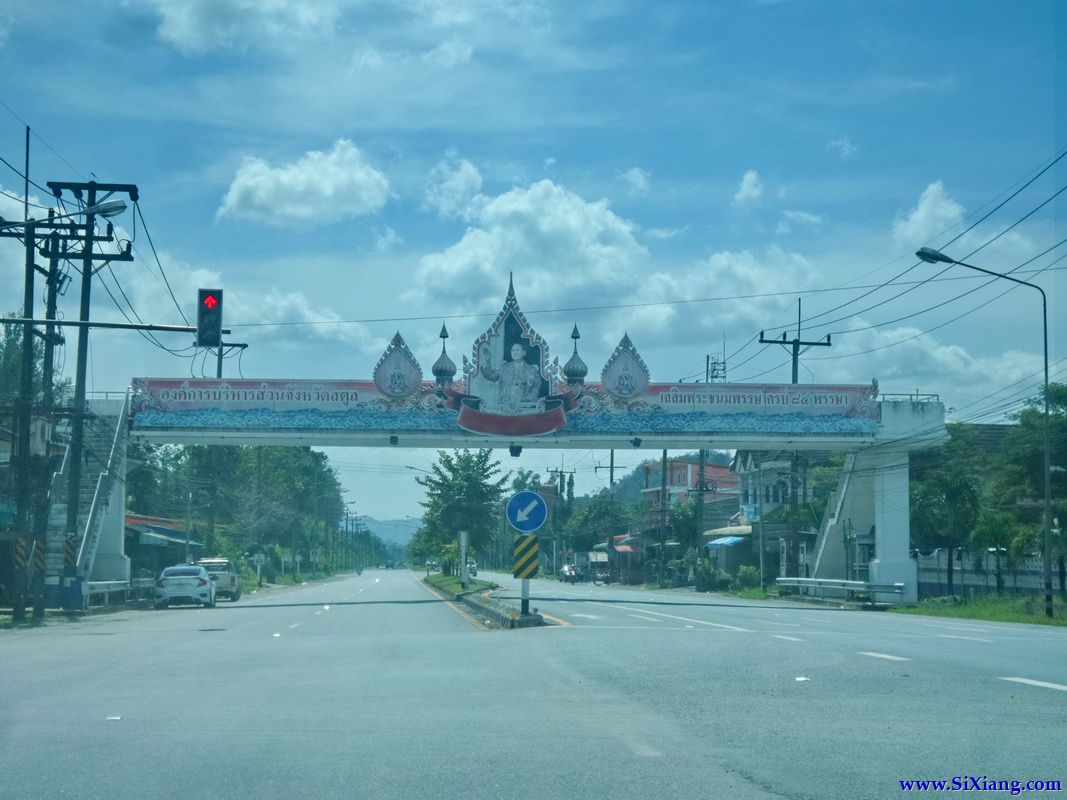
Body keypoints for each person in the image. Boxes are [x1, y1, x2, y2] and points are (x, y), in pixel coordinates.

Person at [481, 341, 543, 413]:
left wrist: (525, 400)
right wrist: (488, 361)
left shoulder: (532, 370)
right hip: (504, 408)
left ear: (524, 353)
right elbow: (490, 376)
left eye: (517, 350)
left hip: (524, 409)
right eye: (512, 350)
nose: (514, 352)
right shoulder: (504, 368)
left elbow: (536, 388)